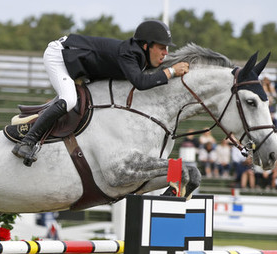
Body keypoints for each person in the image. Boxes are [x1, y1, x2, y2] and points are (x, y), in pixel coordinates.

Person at [12, 20, 189, 165]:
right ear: (145, 46)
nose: (166, 53)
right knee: (69, 100)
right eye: (162, 48)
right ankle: (27, 142)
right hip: (59, 56)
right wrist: (172, 71)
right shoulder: (129, 54)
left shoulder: (138, 56)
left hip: (76, 60)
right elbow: (141, 83)